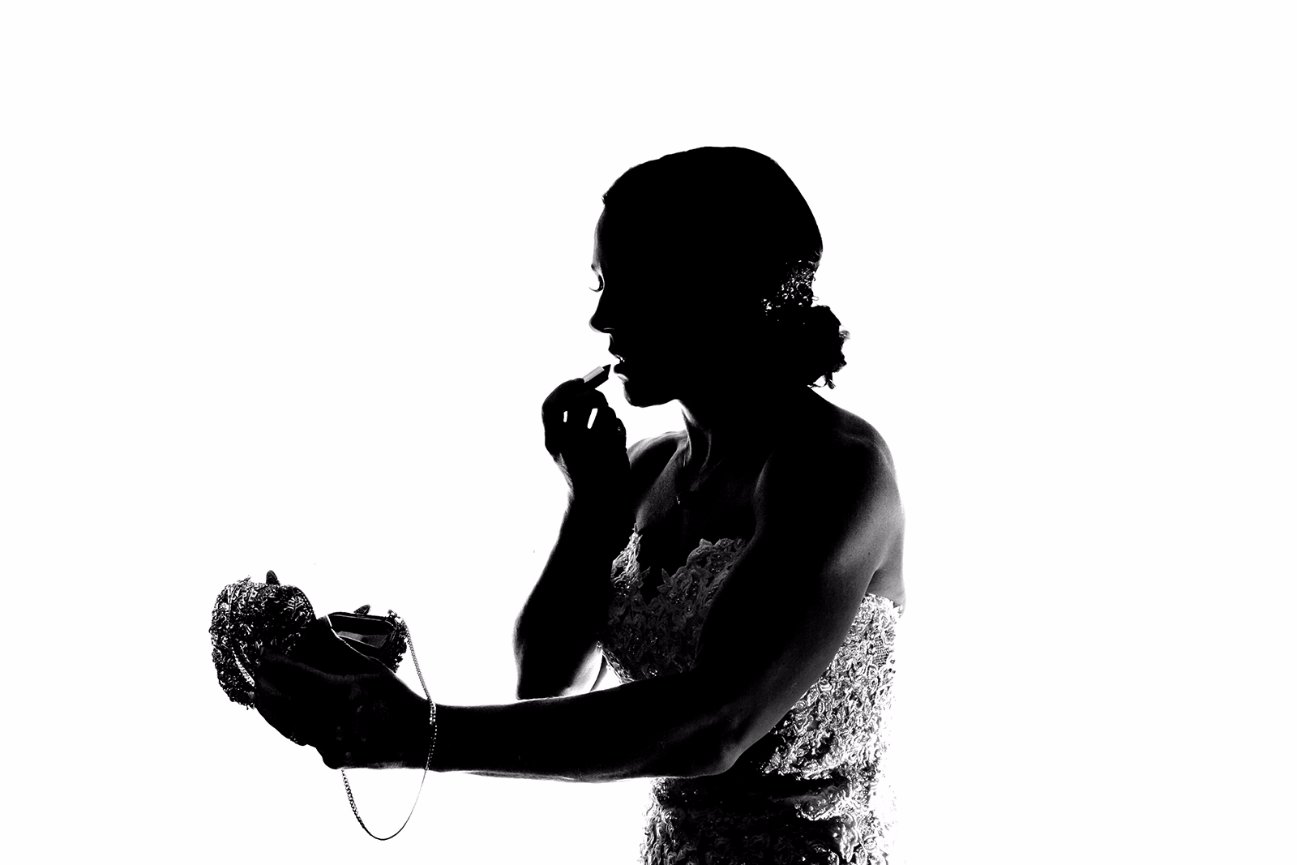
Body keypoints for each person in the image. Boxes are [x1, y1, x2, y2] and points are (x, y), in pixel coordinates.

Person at [255, 146, 906, 864]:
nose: (601, 318)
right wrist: (591, 514)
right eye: (600, 283)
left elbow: (718, 723)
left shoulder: (833, 467)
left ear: (719, 292)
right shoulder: (645, 468)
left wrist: (422, 736)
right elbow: (545, 683)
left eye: (633, 286)